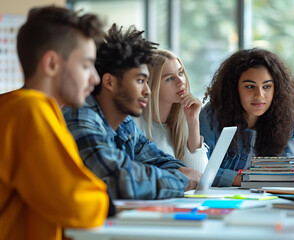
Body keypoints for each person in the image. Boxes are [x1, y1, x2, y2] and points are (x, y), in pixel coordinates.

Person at [0, 6, 108, 240]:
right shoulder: (30, 110)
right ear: (51, 64)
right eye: (86, 65)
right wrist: (103, 199)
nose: (95, 78)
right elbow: (76, 204)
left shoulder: (15, 107)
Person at [63, 24, 201, 200]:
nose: (147, 91)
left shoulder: (125, 124)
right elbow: (119, 181)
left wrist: (180, 174)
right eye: (140, 81)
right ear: (109, 82)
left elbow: (162, 161)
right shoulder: (80, 118)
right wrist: (180, 180)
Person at [200, 48, 294, 187]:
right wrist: (249, 179)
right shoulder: (212, 116)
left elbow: (285, 172)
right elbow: (201, 169)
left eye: (266, 87)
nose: (259, 95)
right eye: (249, 86)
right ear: (234, 88)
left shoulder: (285, 119)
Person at [134, 49, 208, 173]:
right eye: (169, 78)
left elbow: (199, 174)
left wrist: (193, 121)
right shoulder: (134, 124)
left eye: (181, 73)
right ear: (151, 85)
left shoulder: (183, 117)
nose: (181, 82)